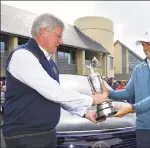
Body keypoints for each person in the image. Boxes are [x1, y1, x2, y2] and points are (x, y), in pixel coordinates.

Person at [2, 13, 109, 148]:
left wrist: (85, 112)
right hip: (25, 135)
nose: (61, 41)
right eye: (58, 36)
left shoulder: (51, 64)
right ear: (43, 32)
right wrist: (92, 100)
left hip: (47, 133)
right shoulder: (22, 55)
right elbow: (53, 92)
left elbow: (58, 97)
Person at [95, 29, 150, 148]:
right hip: (142, 129)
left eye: (148, 44)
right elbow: (127, 92)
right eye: (143, 45)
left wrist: (131, 108)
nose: (145, 48)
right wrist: (109, 93)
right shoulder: (138, 69)